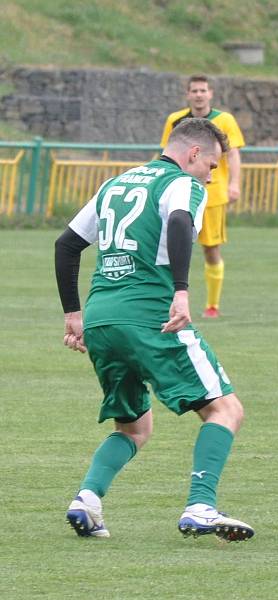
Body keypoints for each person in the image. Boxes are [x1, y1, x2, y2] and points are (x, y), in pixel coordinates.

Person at [55, 118, 254, 542]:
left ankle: (87, 500)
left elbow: (66, 245)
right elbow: (181, 222)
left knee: (133, 427)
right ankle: (201, 506)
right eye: (213, 165)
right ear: (194, 153)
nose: (212, 174)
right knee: (225, 409)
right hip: (151, 316)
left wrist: (73, 314)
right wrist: (181, 291)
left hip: (103, 319)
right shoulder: (182, 183)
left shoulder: (115, 184)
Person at [160, 74, 245, 318]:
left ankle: (212, 306)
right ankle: (168, 300)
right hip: (176, 193)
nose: (199, 94)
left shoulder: (224, 120)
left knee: (210, 249)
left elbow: (233, 154)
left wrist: (234, 183)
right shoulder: (175, 120)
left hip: (213, 195)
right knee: (166, 247)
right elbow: (166, 154)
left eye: (203, 90)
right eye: (194, 90)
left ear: (210, 94)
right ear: (188, 94)